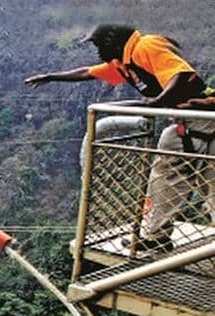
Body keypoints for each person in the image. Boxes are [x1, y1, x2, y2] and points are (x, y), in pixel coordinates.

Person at [25, 24, 215, 252]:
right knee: (182, 172)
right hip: (190, 122)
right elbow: (88, 72)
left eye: (98, 45)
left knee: (177, 169)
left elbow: (179, 74)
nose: (97, 52)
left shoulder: (146, 45)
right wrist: (51, 77)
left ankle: (157, 234)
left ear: (112, 40)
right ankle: (157, 234)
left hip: (203, 118)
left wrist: (157, 101)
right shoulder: (124, 63)